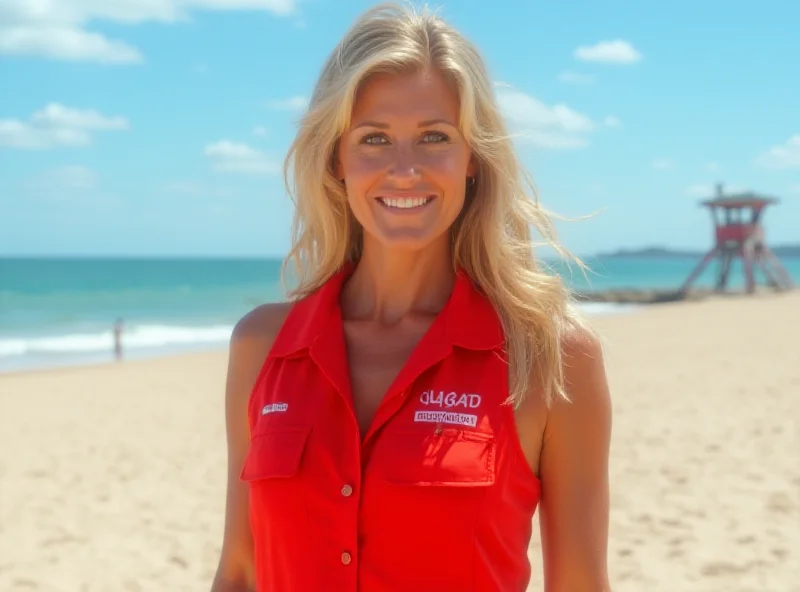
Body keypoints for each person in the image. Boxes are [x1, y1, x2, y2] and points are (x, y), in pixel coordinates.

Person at [211, 4, 612, 591]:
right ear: (336, 159)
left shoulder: (551, 358)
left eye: (433, 137)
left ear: (471, 158)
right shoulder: (261, 346)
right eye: (374, 138)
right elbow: (241, 570)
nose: (404, 169)